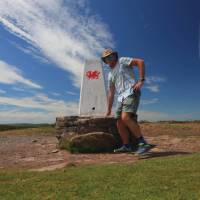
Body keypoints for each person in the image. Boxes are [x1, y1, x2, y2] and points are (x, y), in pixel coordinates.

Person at [101, 48, 154, 155]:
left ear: (115, 56)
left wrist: (141, 80)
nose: (109, 59)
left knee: (125, 117)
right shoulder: (110, 74)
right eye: (106, 58)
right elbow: (111, 92)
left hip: (131, 91)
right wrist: (109, 109)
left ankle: (143, 143)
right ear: (105, 61)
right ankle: (126, 146)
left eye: (111, 56)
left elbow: (140, 62)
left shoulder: (122, 61)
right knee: (119, 122)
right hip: (120, 97)